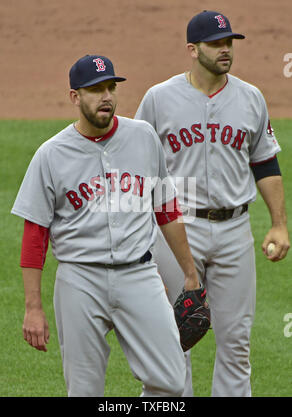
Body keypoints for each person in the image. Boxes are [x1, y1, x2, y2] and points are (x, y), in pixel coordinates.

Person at [11, 54, 201, 397]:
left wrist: (189, 272)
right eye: (96, 89)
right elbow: (34, 236)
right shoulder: (51, 155)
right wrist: (33, 308)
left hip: (139, 275)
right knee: (84, 390)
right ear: (75, 97)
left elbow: (167, 209)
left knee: (173, 382)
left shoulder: (143, 137)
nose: (107, 96)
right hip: (79, 280)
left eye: (111, 87)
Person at [135, 10, 290, 397]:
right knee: (174, 338)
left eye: (229, 43)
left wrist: (278, 223)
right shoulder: (159, 98)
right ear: (192, 49)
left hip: (235, 229)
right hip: (176, 229)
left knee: (236, 342)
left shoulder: (250, 97)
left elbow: (265, 162)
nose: (225, 50)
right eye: (216, 43)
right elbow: (137, 165)